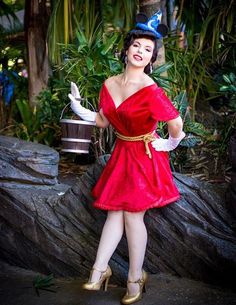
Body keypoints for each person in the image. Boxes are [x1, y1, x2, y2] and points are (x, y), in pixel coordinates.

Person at [68, 10, 185, 305]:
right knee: (115, 212)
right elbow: (103, 121)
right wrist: (77, 107)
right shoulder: (109, 84)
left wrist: (170, 144)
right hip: (123, 152)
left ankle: (134, 277)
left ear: (151, 58)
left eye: (148, 50)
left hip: (145, 154)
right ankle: (98, 270)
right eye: (137, 46)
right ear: (127, 48)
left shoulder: (151, 90)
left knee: (132, 215)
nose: (141, 52)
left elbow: (176, 123)